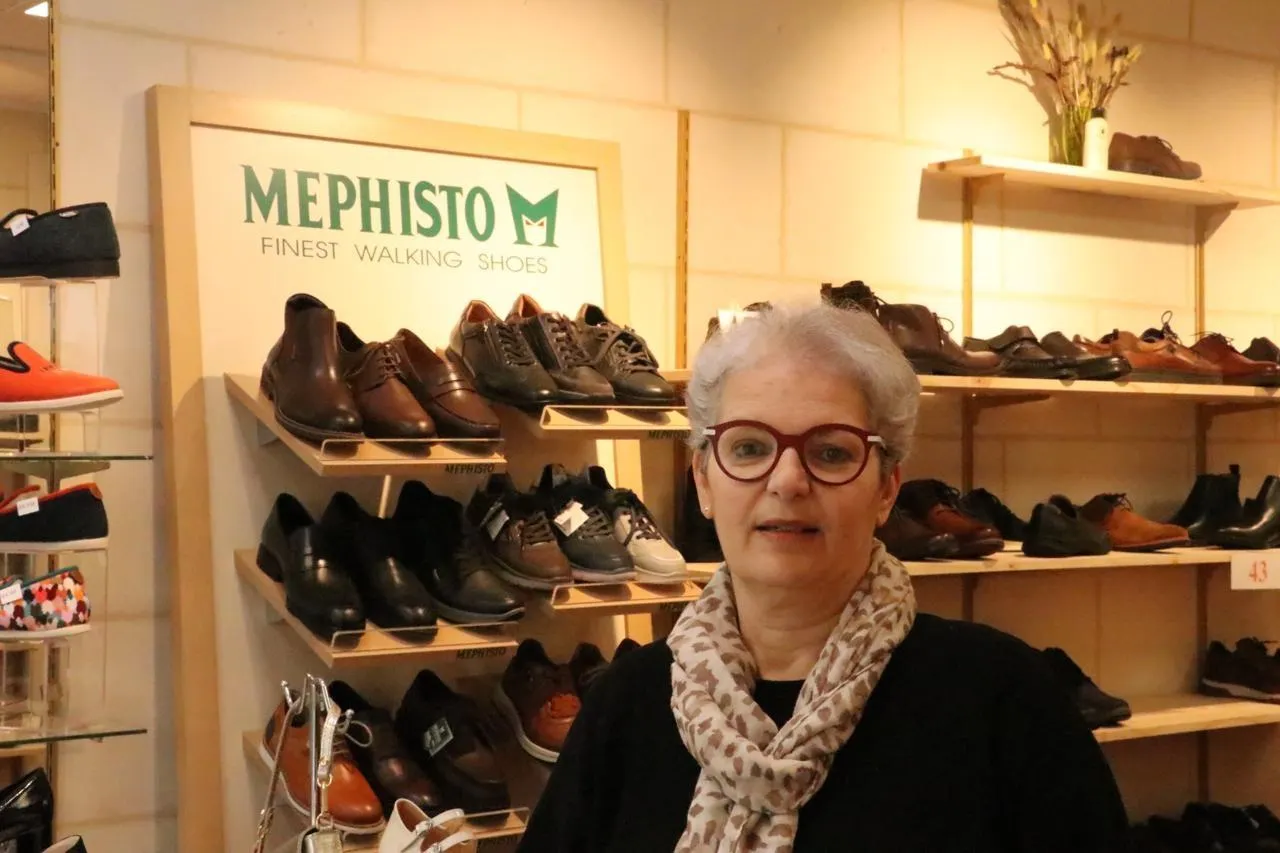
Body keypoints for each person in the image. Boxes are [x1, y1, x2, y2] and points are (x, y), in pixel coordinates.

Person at [518, 301, 1128, 853]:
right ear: (704, 480)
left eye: (831, 452)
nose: (787, 481)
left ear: (886, 488)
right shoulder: (627, 705)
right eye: (749, 448)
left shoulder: (1002, 701)